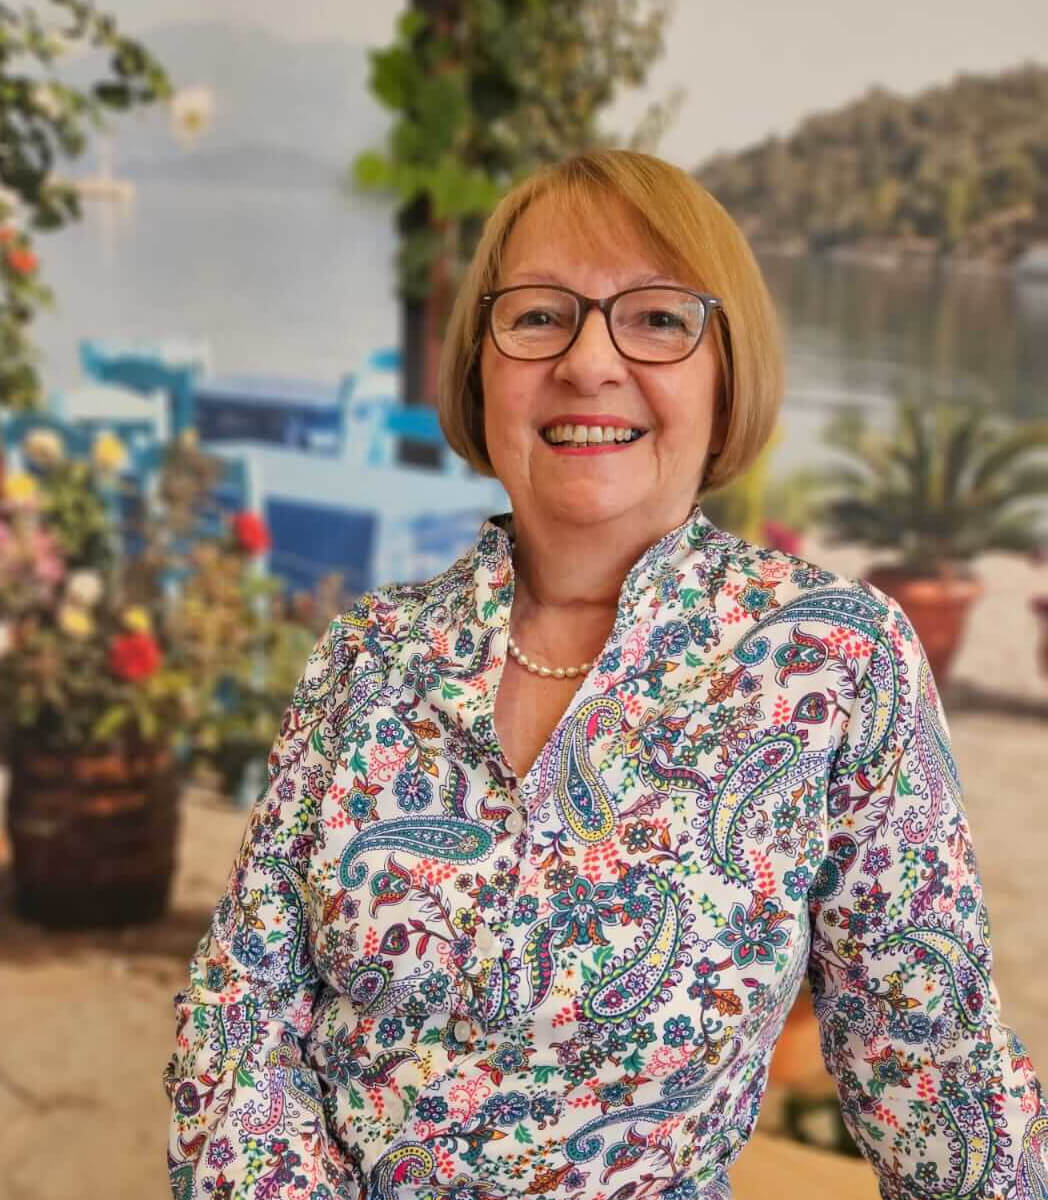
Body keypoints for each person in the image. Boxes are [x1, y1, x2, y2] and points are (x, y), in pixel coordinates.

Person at [164, 149, 1047, 1200]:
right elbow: (239, 1015)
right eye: (539, 316)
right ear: (480, 370)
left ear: (726, 376)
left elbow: (935, 1072)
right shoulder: (368, 652)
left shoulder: (833, 660)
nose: (588, 362)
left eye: (658, 318)